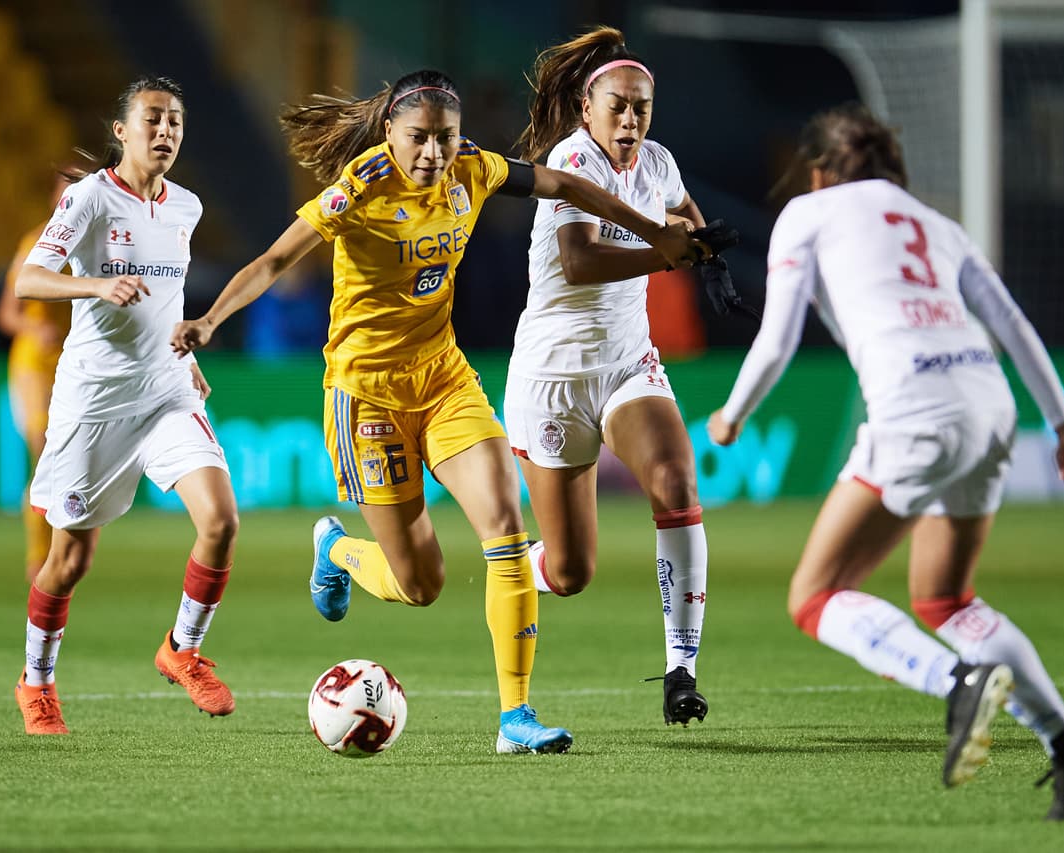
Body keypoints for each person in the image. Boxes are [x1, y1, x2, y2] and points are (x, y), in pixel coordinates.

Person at [170, 69, 706, 754]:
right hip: (367, 395)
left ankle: (515, 718)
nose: (432, 153)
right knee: (420, 583)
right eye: (418, 138)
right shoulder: (359, 189)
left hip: (444, 379)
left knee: (506, 528)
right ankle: (336, 549)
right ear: (390, 133)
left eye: (445, 138)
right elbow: (275, 260)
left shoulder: (474, 169)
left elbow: (568, 186)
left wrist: (655, 232)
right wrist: (210, 319)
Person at [706, 103, 1064, 820]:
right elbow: (1010, 321)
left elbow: (778, 337)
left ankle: (957, 682)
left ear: (817, 171)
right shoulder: (937, 223)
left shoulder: (809, 213)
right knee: (946, 599)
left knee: (815, 596)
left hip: (915, 406)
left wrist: (732, 413)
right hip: (988, 402)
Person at [503, 27, 742, 726]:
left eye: (642, 107)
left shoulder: (657, 162)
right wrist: (667, 253)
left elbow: (686, 215)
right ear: (588, 109)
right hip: (553, 377)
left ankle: (681, 671)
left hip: (627, 365)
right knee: (570, 572)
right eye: (619, 106)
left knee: (677, 483)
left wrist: (706, 253)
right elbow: (579, 262)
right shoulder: (571, 160)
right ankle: (507, 572)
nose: (631, 119)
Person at [13, 76, 240, 735]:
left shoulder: (186, 207)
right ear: (122, 131)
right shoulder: (89, 197)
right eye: (152, 119)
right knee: (69, 563)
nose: (165, 131)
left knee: (221, 519)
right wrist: (95, 284)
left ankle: (182, 649)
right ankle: (36, 680)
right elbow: (29, 277)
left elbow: (167, 296)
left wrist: (188, 359)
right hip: (95, 402)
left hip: (166, 391)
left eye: (175, 122)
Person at [0, 175, 74, 583]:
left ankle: (58, 552)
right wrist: (34, 328)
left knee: (65, 461)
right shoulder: (35, 243)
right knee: (44, 450)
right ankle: (38, 557)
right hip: (33, 365)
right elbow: (7, 314)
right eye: (65, 189)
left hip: (73, 365)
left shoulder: (96, 244)